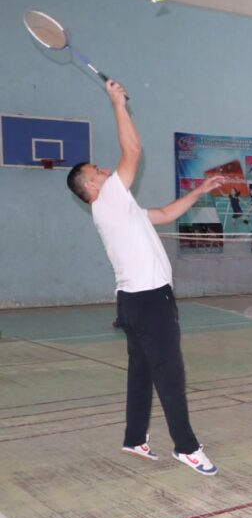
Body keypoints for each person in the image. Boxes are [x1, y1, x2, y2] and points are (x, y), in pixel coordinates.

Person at [66, 79, 220, 476]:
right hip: (150, 299)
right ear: (91, 185)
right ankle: (186, 447)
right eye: (97, 170)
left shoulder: (121, 208)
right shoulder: (108, 200)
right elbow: (133, 151)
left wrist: (200, 190)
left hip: (132, 301)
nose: (104, 170)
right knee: (170, 373)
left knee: (142, 370)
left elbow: (165, 214)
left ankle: (135, 437)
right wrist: (118, 103)